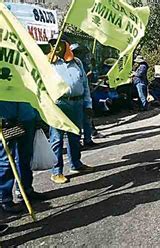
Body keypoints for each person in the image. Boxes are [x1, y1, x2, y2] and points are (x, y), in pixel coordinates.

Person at [48, 37, 94, 184]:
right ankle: (57, 172)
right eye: (54, 44)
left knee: (75, 136)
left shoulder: (77, 62)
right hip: (58, 104)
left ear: (67, 45)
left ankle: (76, 164)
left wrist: (88, 105)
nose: (57, 47)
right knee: (57, 139)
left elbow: (84, 85)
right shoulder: (48, 63)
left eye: (60, 44)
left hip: (77, 103)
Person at [0, 102, 45, 213]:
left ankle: (25, 190)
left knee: (25, 157)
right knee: (6, 161)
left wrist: (37, 116)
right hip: (6, 120)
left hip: (27, 117)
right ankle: (5, 200)